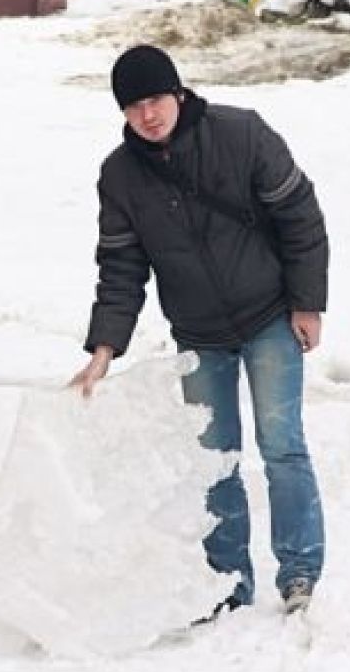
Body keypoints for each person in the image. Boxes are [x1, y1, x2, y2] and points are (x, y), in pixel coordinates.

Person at [69, 44, 330, 617]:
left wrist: (307, 304)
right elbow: (120, 267)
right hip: (198, 331)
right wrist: (104, 347)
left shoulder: (242, 135)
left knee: (282, 445)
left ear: (179, 94)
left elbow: (301, 219)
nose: (149, 115)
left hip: (269, 316)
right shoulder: (119, 176)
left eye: (156, 99)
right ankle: (229, 584)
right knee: (215, 460)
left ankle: (300, 571)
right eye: (134, 106)